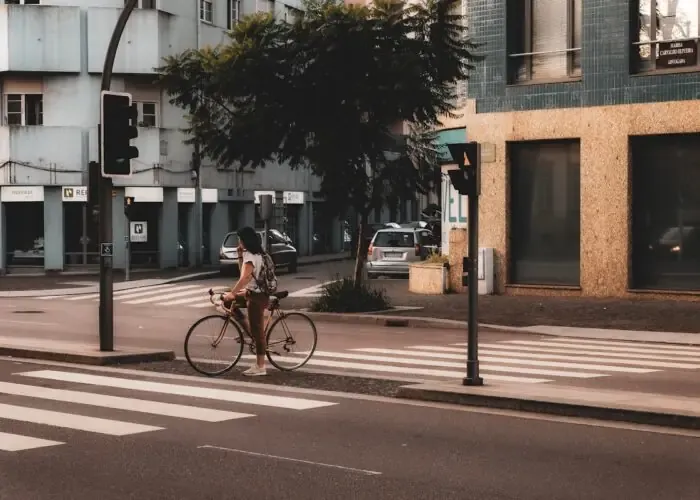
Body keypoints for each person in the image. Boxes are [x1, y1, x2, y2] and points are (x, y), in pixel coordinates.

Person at [222, 226, 270, 376]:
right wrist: (240, 256)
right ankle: (248, 331)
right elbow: (243, 273)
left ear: (245, 240)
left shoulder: (251, 256)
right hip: (253, 292)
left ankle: (260, 366)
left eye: (240, 239)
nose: (238, 242)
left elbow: (245, 278)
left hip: (257, 296)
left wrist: (233, 293)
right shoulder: (255, 254)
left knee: (258, 331)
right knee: (228, 302)